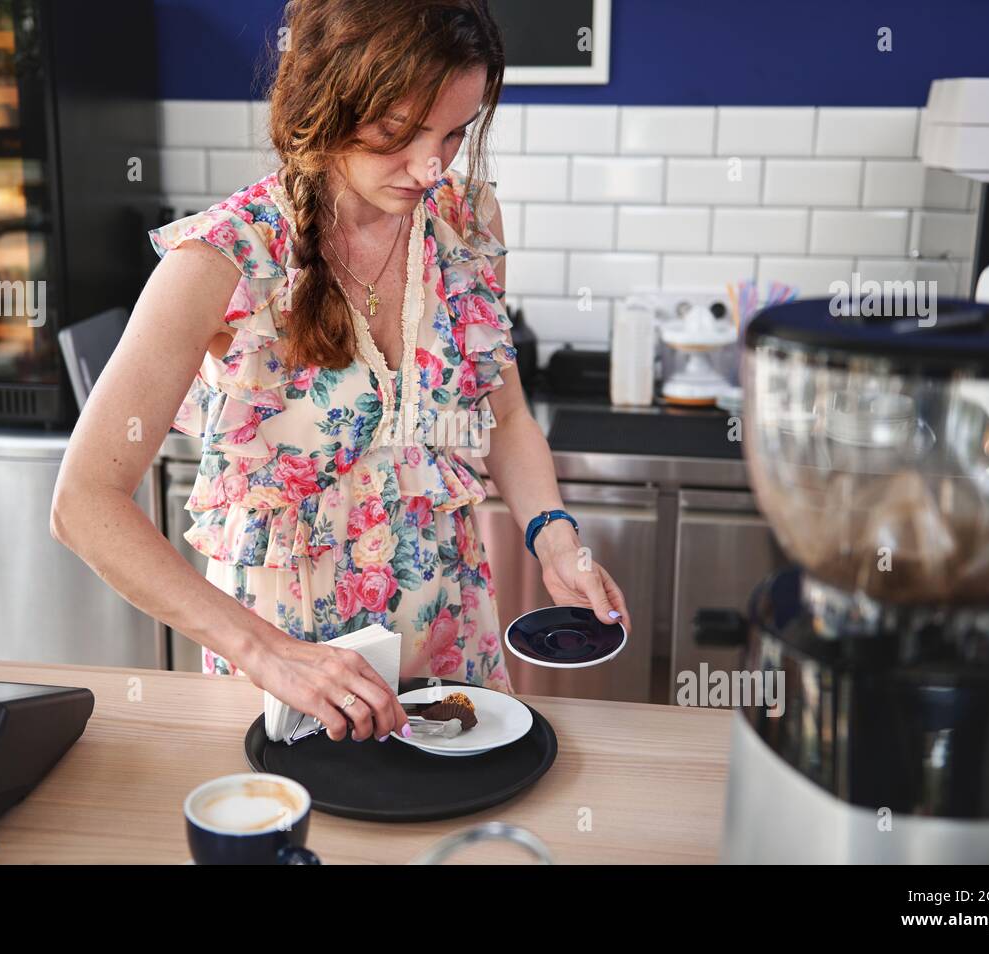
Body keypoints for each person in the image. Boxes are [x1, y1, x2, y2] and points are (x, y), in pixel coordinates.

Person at [51, 0, 630, 743]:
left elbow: (505, 415)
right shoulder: (224, 259)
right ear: (327, 100)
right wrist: (272, 655)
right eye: (398, 132)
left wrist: (555, 537)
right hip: (292, 681)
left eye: (455, 133)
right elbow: (83, 501)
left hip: (453, 659)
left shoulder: (469, 222)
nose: (432, 165)